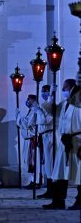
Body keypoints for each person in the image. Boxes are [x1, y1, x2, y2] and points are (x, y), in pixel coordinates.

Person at [43, 79, 81, 210]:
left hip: (77, 141)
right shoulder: (66, 103)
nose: (63, 91)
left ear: (70, 87)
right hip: (64, 141)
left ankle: (79, 200)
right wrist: (51, 96)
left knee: (78, 173)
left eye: (64, 88)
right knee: (60, 173)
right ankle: (58, 201)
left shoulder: (78, 103)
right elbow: (49, 110)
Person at [16, 94, 47, 189]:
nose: (27, 101)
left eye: (28, 99)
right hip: (29, 139)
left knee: (34, 160)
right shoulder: (32, 110)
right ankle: (33, 180)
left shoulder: (36, 111)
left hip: (33, 139)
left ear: (33, 100)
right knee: (30, 161)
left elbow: (27, 124)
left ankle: (36, 181)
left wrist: (18, 117)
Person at [37, 85, 54, 199]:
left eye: (45, 91)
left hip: (50, 135)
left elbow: (45, 121)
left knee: (50, 164)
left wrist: (39, 111)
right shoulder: (43, 107)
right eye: (42, 91)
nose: (43, 93)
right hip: (43, 136)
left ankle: (52, 189)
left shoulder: (51, 107)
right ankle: (49, 189)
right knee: (46, 164)